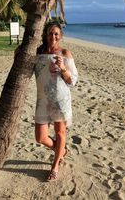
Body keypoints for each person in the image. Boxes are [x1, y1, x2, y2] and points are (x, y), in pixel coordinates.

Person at [34, 21, 78, 181]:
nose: (53, 36)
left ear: (60, 36)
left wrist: (63, 68)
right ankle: (62, 151)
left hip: (60, 99)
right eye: (50, 33)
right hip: (43, 100)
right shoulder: (38, 52)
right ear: (45, 34)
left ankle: (55, 166)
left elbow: (73, 81)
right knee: (40, 138)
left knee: (60, 133)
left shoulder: (65, 53)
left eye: (56, 34)